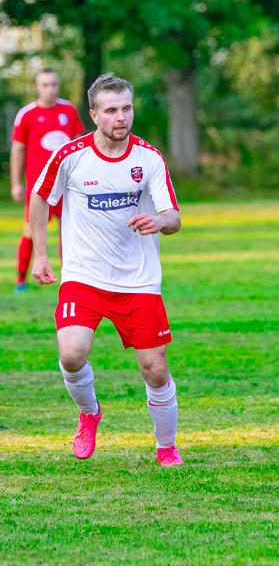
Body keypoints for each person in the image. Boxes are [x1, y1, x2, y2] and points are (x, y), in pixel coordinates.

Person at [30, 73, 183, 466]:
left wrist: (159, 222)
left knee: (155, 369)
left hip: (138, 280)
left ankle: (166, 447)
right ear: (94, 114)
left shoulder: (148, 158)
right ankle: (89, 413)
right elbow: (40, 196)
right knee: (71, 354)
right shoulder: (70, 156)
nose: (121, 117)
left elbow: (173, 217)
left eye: (127, 108)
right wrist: (40, 254)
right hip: (84, 277)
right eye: (112, 110)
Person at [10, 68, 85, 292]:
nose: (50, 89)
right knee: (31, 231)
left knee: (69, 230)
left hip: (66, 185)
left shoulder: (68, 110)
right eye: (45, 85)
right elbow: (17, 150)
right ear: (37, 87)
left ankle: (69, 277)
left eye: (53, 84)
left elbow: (78, 145)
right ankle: (21, 279)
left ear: (58, 85)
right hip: (38, 188)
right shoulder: (27, 114)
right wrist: (16, 183)